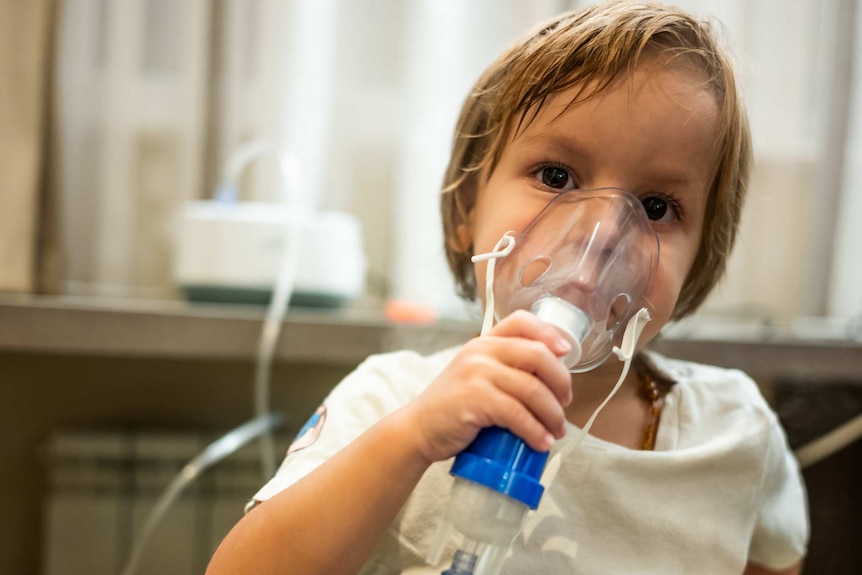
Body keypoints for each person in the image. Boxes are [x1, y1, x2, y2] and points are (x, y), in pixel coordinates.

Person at [206, 2, 808, 574]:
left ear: (704, 254)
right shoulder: (390, 402)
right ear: (468, 205)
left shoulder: (734, 430)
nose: (601, 234)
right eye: (556, 176)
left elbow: (775, 557)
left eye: (656, 206)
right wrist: (412, 439)